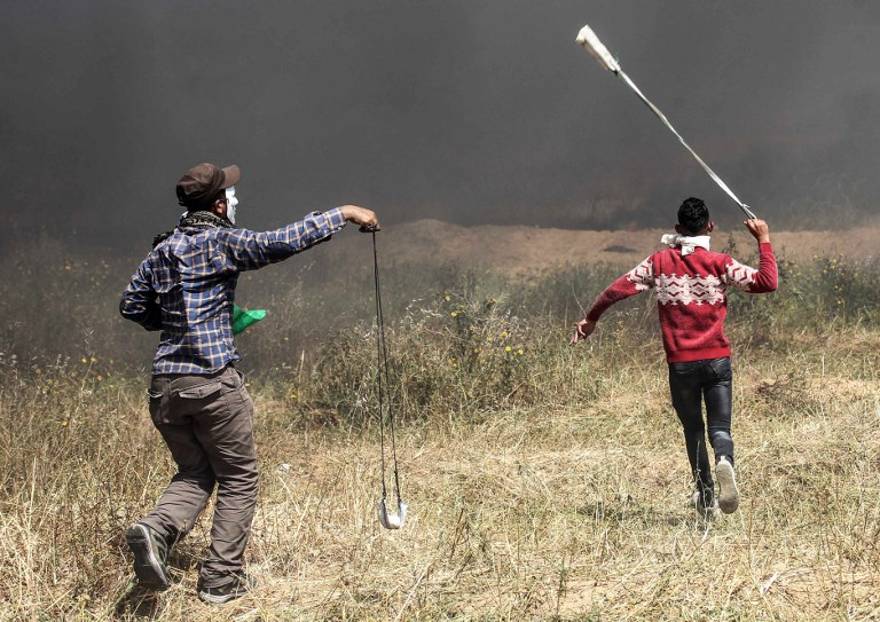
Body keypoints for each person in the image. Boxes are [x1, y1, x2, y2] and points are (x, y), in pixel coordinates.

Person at [119, 162, 379, 603]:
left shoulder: (161, 250)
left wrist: (182, 322)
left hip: (166, 387)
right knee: (239, 478)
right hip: (212, 383)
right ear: (219, 204)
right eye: (230, 195)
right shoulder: (220, 240)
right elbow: (276, 243)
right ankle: (221, 581)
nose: (234, 200)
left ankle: (155, 530)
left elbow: (131, 305)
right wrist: (344, 213)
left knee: (196, 472)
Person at [571, 197, 777, 517]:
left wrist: (591, 318)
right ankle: (725, 460)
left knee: (693, 428)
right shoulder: (720, 263)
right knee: (720, 428)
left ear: (678, 229)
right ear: (710, 227)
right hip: (717, 360)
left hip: (681, 364)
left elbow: (616, 290)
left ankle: (706, 494)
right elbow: (767, 282)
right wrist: (763, 240)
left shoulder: (659, 263)